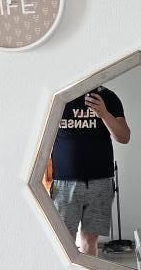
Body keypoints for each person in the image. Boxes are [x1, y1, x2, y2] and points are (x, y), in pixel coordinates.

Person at [50, 86, 130, 255]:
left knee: (90, 240)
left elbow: (124, 137)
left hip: (100, 181)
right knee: (64, 240)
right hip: (64, 183)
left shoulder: (108, 97)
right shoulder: (60, 96)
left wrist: (104, 114)